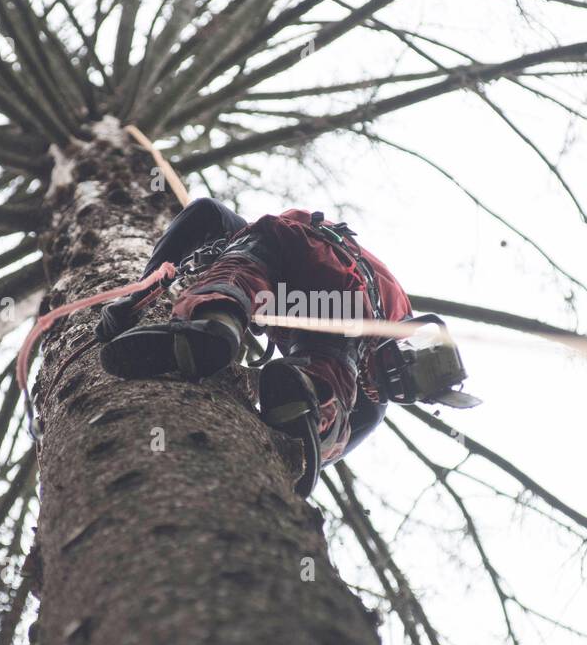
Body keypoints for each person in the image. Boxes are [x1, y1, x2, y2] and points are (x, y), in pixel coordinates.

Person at [97, 198, 477, 495]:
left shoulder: (385, 314)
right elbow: (310, 461)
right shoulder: (377, 335)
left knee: (245, 267)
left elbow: (205, 213)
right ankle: (311, 396)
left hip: (282, 245)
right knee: (333, 361)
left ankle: (217, 322)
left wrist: (138, 296)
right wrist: (297, 458)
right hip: (335, 297)